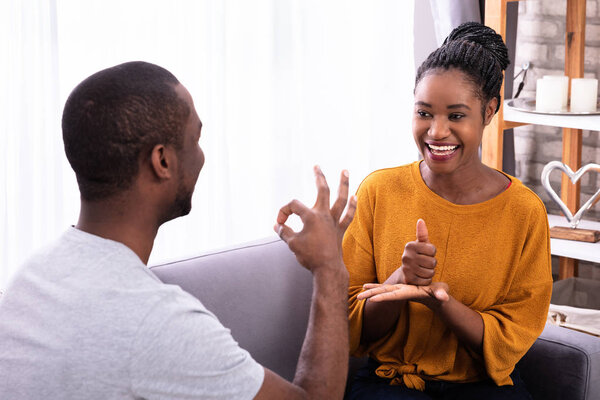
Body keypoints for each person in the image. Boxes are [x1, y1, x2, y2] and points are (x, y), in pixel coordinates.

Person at [0, 61, 357, 399]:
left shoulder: (29, 279)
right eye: (195, 139)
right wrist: (328, 267)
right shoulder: (155, 321)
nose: (201, 155)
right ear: (163, 161)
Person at [343, 22, 552, 399]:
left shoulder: (524, 211)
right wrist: (401, 281)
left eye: (456, 116)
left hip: (484, 388)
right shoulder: (379, 191)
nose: (436, 131)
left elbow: (511, 340)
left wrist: (442, 303)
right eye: (424, 113)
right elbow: (351, 329)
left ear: (489, 111)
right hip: (390, 386)